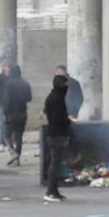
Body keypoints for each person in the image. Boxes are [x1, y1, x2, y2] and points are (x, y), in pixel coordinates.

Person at [42, 72, 72, 203]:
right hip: (56, 135)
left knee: (56, 164)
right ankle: (50, 191)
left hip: (57, 134)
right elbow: (56, 118)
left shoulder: (56, 97)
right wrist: (68, 120)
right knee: (54, 165)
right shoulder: (55, 99)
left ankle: (54, 191)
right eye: (65, 85)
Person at [1, 64, 32, 166]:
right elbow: (29, 98)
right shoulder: (25, 83)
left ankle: (12, 152)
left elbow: (6, 101)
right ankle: (17, 159)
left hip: (11, 114)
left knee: (6, 134)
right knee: (19, 136)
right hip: (22, 113)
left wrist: (5, 113)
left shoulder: (9, 84)